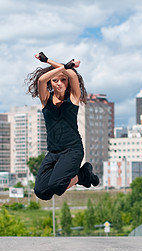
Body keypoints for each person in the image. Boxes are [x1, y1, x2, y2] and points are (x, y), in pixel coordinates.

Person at [25, 51, 99, 200]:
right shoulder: (46, 99)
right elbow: (41, 80)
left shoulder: (73, 97)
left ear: (67, 82)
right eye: (55, 81)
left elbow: (72, 74)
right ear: (50, 83)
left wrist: (49, 61)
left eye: (63, 80)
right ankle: (83, 175)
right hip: (53, 152)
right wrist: (64, 66)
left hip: (72, 150)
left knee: (57, 186)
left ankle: (82, 175)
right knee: (41, 192)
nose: (59, 83)